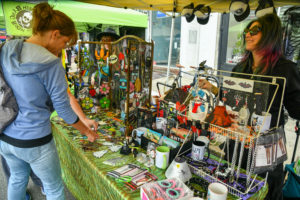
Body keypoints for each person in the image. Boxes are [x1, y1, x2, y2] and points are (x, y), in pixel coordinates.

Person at [0, 3, 99, 200]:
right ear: (55, 34)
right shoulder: (50, 63)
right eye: (65, 42)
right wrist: (86, 131)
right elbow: (62, 108)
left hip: (6, 135)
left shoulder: (6, 49)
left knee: (17, 178)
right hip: (35, 140)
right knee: (53, 188)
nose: (64, 48)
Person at [199, 14, 300, 199]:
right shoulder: (240, 68)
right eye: (247, 30)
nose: (247, 34)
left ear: (269, 35)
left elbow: (296, 109)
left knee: (264, 191)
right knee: (233, 186)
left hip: (267, 149)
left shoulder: (285, 69)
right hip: (237, 144)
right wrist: (212, 88)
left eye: (254, 31)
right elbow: (232, 99)